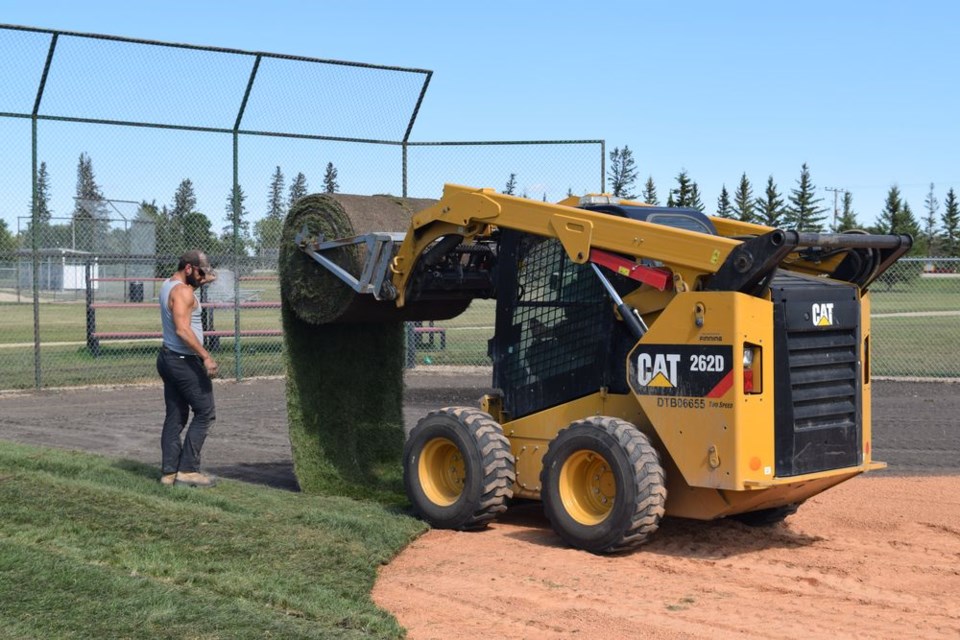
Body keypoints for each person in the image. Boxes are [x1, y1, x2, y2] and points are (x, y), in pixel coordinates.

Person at [156, 250, 219, 487]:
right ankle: (188, 471)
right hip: (184, 361)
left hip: (168, 358)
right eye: (201, 272)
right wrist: (206, 356)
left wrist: (205, 278)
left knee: (176, 415)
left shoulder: (168, 284)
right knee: (205, 412)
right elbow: (183, 330)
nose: (204, 278)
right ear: (189, 269)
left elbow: (188, 293)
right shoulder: (183, 291)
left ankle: (170, 472)